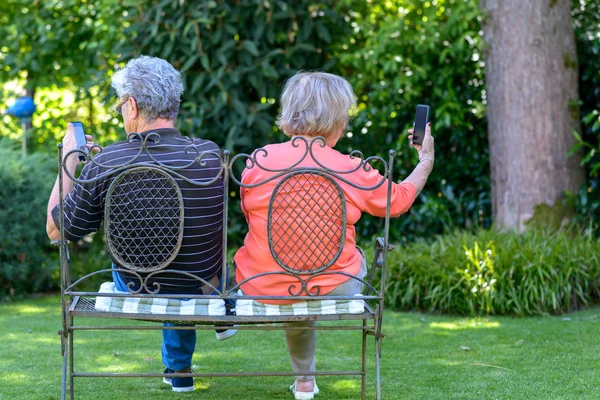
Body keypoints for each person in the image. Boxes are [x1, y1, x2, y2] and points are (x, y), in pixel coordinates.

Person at [233, 71, 434, 399]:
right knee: (334, 267)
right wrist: (425, 160)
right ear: (335, 121)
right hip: (335, 286)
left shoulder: (260, 161)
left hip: (265, 283)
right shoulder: (350, 168)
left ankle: (304, 382)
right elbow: (397, 201)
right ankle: (304, 381)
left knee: (296, 284)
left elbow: (251, 217)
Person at [45, 55, 235, 393]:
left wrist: (69, 162)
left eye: (120, 107)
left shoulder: (108, 161)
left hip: (137, 283)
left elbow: (56, 231)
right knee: (182, 258)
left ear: (131, 105)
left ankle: (179, 370)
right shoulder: (209, 154)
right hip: (201, 280)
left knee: (152, 257)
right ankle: (183, 364)